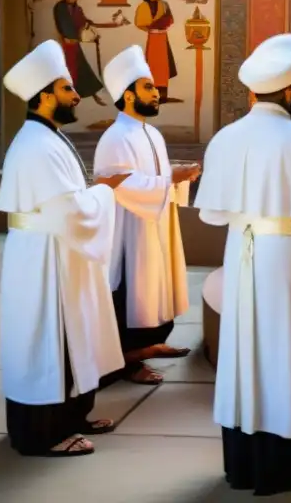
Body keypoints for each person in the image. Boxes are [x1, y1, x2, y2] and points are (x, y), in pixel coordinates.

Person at [194, 33, 291, 494]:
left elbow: (211, 212)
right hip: (290, 262)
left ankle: (244, 464)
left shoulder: (227, 138)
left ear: (251, 92)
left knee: (247, 351)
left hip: (242, 256)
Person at [0, 40, 129, 458]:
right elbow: (71, 212)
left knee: (74, 335)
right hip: (44, 260)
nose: (76, 96)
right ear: (47, 94)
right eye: (69, 89)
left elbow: (69, 204)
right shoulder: (36, 145)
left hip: (59, 252)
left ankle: (71, 416)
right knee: (50, 341)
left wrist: (95, 196)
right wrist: (105, 194)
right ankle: (43, 434)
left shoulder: (46, 137)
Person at [94, 45, 200, 387]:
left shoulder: (150, 133)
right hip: (130, 232)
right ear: (127, 96)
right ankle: (128, 360)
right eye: (148, 88)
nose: (157, 93)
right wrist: (171, 180)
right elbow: (117, 184)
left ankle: (151, 344)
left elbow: (156, 173)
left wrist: (177, 173)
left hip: (156, 224)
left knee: (157, 288)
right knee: (133, 292)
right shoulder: (115, 137)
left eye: (155, 88)